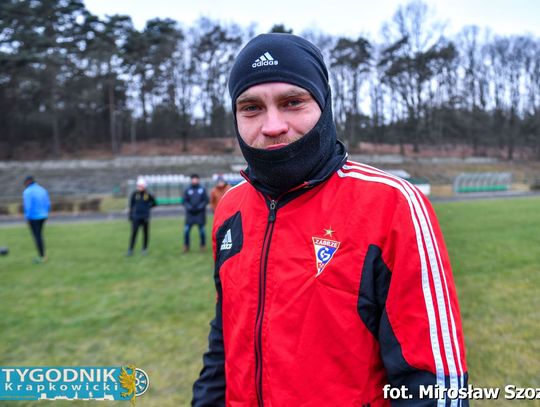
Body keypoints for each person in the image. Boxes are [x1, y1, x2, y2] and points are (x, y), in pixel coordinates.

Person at [192, 33, 469, 406]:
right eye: (252, 107)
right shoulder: (230, 207)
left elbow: (433, 381)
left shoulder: (393, 204)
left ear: (324, 105)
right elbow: (224, 339)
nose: (272, 125)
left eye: (293, 102)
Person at [22, 175, 50, 263]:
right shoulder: (42, 189)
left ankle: (42, 256)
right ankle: (42, 255)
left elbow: (28, 206)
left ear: (28, 181)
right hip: (43, 216)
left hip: (34, 217)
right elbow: (47, 203)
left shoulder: (27, 191)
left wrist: (27, 217)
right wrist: (45, 212)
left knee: (37, 236)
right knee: (39, 235)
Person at [127, 177, 157, 256]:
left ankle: (144, 249)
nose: (139, 187)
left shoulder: (148, 194)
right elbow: (131, 206)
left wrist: (148, 207)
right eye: (138, 185)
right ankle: (130, 249)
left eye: (141, 186)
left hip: (145, 217)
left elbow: (154, 203)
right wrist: (130, 215)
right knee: (134, 233)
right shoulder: (134, 194)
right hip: (136, 217)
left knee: (145, 233)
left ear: (144, 186)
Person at [182, 174, 209, 252]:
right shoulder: (187, 190)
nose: (194, 180)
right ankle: (186, 246)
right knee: (186, 231)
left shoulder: (202, 189)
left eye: (196, 179)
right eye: (193, 179)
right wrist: (189, 207)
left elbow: (206, 200)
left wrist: (200, 207)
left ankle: (203, 245)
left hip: (200, 214)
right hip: (190, 214)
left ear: (198, 180)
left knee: (202, 231)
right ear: (191, 180)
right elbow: (184, 201)